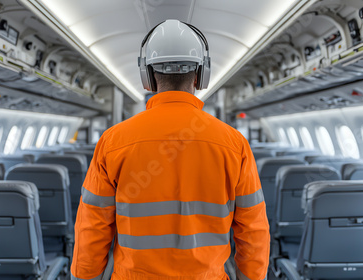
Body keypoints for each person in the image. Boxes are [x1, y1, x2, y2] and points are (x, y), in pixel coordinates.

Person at [71, 19, 270, 280]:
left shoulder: (112, 141)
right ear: (201, 75)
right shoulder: (234, 144)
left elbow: (92, 228)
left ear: (147, 76)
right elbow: (253, 231)